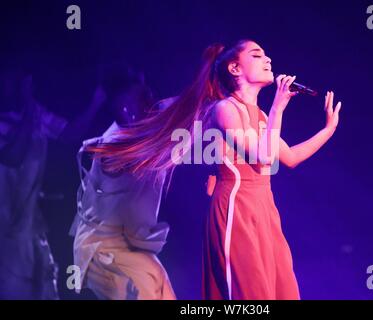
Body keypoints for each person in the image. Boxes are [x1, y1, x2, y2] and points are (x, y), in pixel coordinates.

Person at [86, 39, 342, 300]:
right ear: (235, 69)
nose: (268, 60)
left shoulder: (263, 117)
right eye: (257, 55)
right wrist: (279, 106)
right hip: (236, 209)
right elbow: (262, 157)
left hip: (265, 210)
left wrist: (328, 129)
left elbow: (290, 157)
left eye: (267, 55)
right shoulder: (225, 110)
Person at [70, 65, 176, 300]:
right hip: (105, 251)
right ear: (123, 106)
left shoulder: (142, 133)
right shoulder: (113, 146)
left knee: (162, 288)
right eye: (142, 95)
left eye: (149, 91)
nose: (151, 97)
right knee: (145, 287)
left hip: (128, 249)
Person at [0, 66, 105, 299]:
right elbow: (14, 156)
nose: (12, 84)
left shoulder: (32, 113)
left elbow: (69, 134)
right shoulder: (26, 115)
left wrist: (97, 100)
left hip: (32, 230)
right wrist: (28, 102)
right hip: (4, 235)